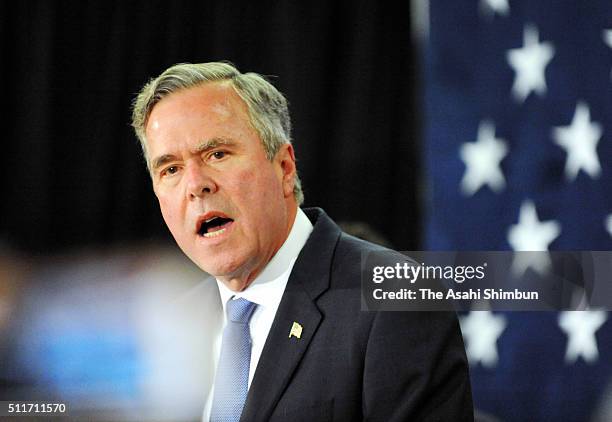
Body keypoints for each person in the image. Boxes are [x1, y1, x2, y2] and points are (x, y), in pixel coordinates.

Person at [131, 62, 473, 421]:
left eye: (217, 154)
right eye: (170, 169)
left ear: (284, 168)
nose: (195, 185)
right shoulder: (171, 328)